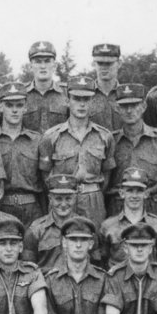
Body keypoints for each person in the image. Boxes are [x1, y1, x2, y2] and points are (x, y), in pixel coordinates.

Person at [41, 78, 117, 223]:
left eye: (86, 99)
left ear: (92, 102)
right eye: (76, 98)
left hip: (93, 199)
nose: (82, 104)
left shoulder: (105, 136)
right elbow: (45, 175)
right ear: (67, 101)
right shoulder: (51, 136)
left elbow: (107, 175)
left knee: (93, 241)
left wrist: (92, 191)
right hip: (61, 199)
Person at [108, 83, 157, 220]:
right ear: (117, 109)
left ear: (143, 106)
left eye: (134, 105)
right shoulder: (110, 141)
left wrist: (151, 195)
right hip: (118, 206)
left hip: (152, 205)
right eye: (124, 106)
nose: (129, 110)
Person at [0, 83, 45, 226]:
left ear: (25, 108)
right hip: (0, 206)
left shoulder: (37, 141)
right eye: (9, 105)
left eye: (19, 105)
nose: (14, 110)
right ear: (1, 107)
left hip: (31, 208)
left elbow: (45, 181)